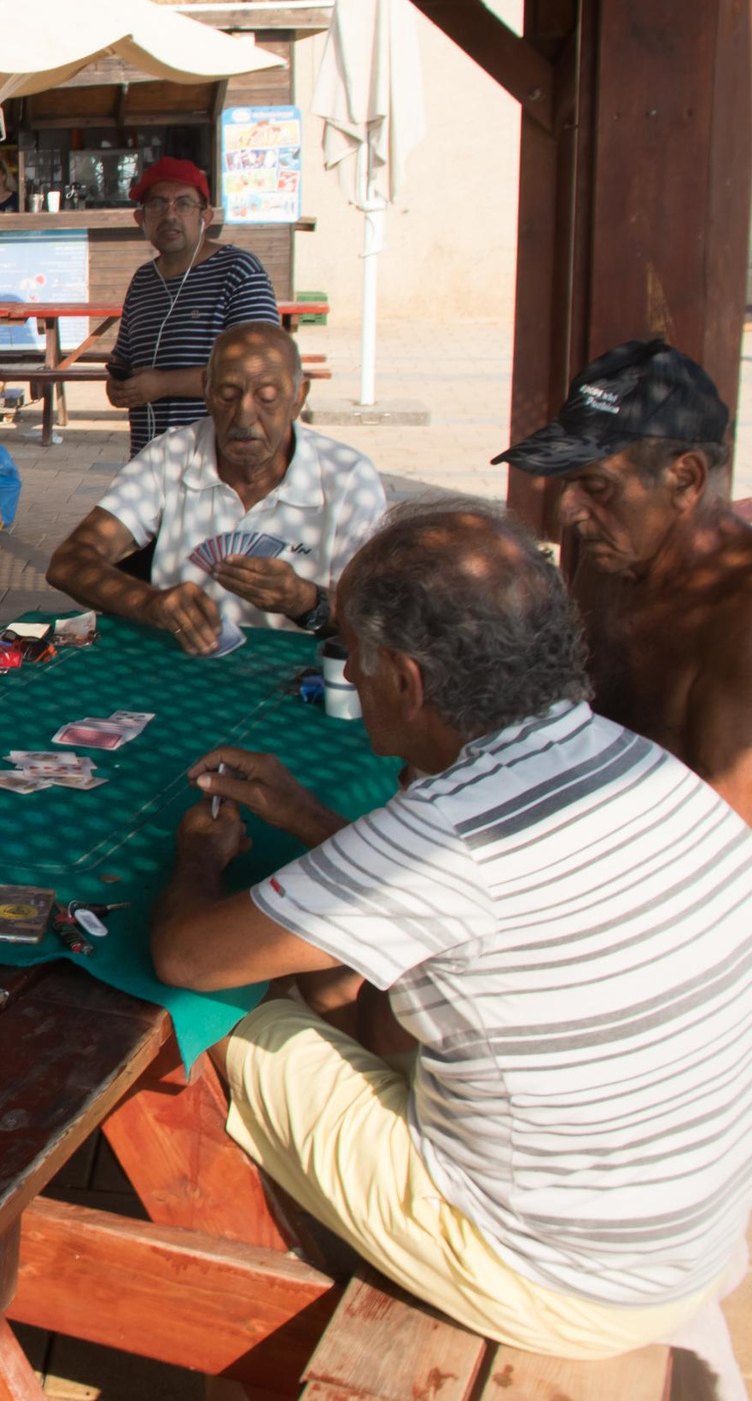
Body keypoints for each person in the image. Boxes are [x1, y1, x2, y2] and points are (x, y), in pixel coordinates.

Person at [150, 501, 752, 1361]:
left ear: (407, 678)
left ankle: (261, 1280)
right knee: (366, 990)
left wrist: (201, 862)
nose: (350, 680)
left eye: (355, 663)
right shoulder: (632, 760)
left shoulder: (447, 827)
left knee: (251, 1013)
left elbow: (188, 954)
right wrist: (315, 818)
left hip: (563, 1281)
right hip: (690, 1235)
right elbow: (449, 892)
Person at [494, 338, 752, 821]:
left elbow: (730, 839)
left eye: (595, 485)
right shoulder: (612, 557)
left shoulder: (741, 618)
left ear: (686, 478)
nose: (567, 511)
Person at [48, 323, 385, 654]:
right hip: (182, 663)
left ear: (298, 398)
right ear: (207, 391)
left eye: (267, 398)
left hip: (297, 677)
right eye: (228, 395)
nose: (244, 418)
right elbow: (69, 563)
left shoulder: (348, 478)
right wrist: (148, 602)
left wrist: (306, 601)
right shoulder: (171, 455)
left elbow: (380, 620)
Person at [105, 158, 279, 456]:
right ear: (140, 219)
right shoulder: (143, 280)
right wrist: (119, 386)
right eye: (157, 204)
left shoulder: (238, 271)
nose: (170, 215)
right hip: (150, 461)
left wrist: (163, 384)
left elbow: (261, 371)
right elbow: (124, 359)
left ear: (205, 217)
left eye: (183, 204)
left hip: (220, 463)